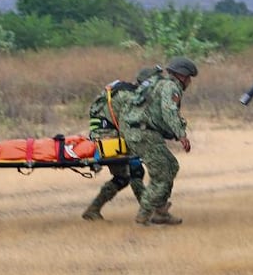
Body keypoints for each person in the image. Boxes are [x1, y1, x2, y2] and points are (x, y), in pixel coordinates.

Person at [120, 56, 198, 226]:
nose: (190, 82)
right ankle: (143, 218)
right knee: (161, 176)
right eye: (189, 78)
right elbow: (169, 111)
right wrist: (181, 134)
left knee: (171, 166)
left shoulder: (157, 82)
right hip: (144, 134)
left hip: (138, 132)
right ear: (183, 76)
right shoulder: (171, 87)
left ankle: (161, 211)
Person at [81, 65, 162, 221]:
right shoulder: (129, 97)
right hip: (108, 138)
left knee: (122, 177)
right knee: (135, 170)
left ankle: (93, 210)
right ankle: (149, 213)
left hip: (104, 136)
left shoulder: (122, 91)